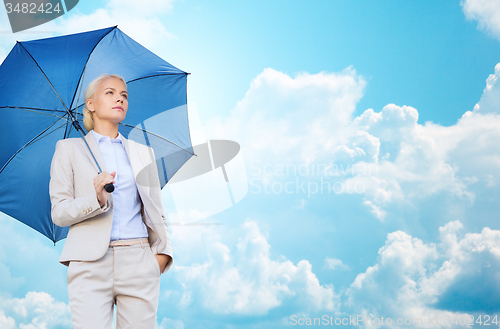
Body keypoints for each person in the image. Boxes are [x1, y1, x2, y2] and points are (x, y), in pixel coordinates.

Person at [49, 73, 173, 329]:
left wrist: (161, 255)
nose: (120, 98)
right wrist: (95, 198)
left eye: (124, 95)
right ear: (90, 104)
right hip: (90, 264)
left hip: (139, 261)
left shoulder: (143, 152)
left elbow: (157, 210)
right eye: (110, 92)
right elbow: (59, 213)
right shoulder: (68, 149)